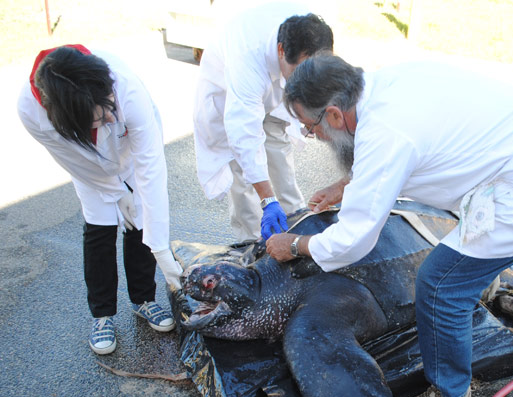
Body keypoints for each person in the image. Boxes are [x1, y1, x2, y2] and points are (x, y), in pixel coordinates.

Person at [267, 54, 513, 397]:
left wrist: (295, 244)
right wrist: (348, 185)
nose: (314, 136)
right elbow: (399, 152)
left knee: (440, 284)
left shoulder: (386, 134)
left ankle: (451, 396)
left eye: (310, 128)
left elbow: (352, 241)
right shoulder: (393, 79)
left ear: (335, 116)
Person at [18, 45, 183, 356]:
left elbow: (151, 166)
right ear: (69, 120)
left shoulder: (124, 87)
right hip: (89, 170)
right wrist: (115, 192)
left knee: (140, 220)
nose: (110, 117)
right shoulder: (31, 111)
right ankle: (102, 315)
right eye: (99, 119)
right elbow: (74, 162)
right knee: (99, 229)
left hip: (129, 156)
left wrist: (161, 248)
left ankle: (144, 300)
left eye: (110, 108)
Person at [193, 1, 333, 242]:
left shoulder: (309, 33)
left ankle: (299, 231)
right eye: (300, 70)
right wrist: (268, 200)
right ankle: (255, 247)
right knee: (243, 174)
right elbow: (244, 135)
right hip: (231, 94)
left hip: (274, 96)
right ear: (281, 51)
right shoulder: (246, 56)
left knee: (280, 158)